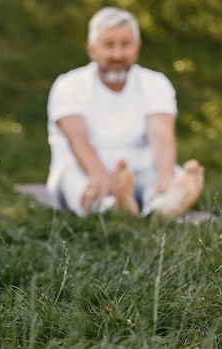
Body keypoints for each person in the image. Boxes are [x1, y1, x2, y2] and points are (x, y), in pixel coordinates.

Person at [46, 7, 204, 219]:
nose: (118, 54)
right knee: (72, 179)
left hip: (140, 172)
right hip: (85, 170)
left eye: (126, 44)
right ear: (92, 50)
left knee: (167, 174)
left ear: (137, 47)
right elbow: (78, 140)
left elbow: (161, 137)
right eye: (109, 45)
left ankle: (162, 205)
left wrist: (166, 177)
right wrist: (100, 175)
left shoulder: (155, 84)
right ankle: (113, 207)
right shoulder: (68, 85)